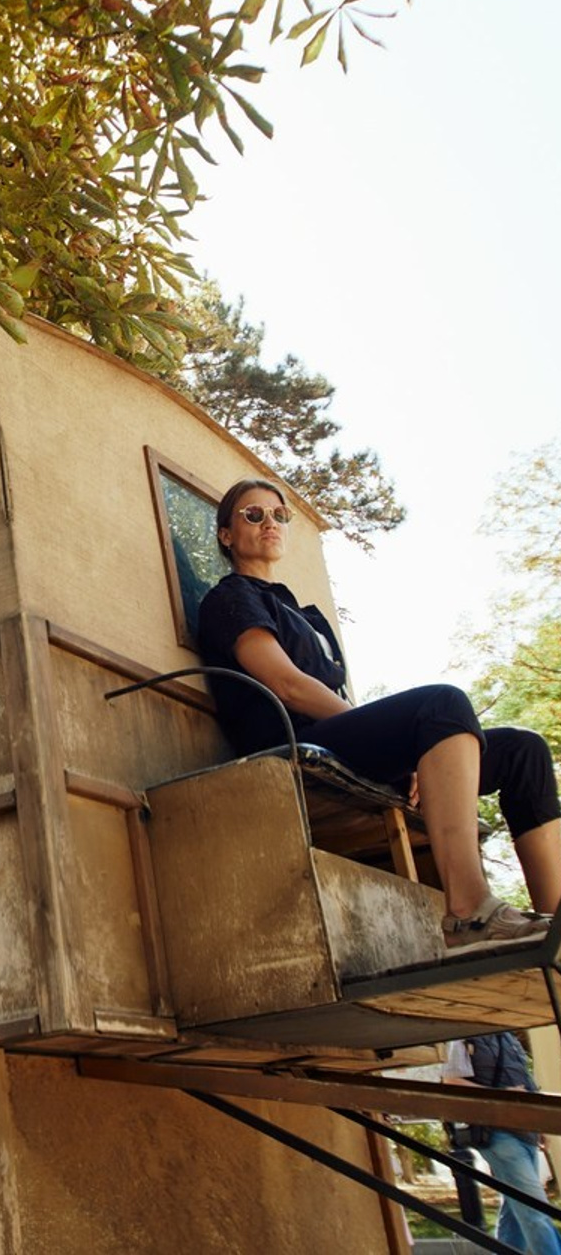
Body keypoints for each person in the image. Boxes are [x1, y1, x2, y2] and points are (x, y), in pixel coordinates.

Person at [196, 477, 561, 949]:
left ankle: (555, 924)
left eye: (278, 515)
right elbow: (285, 683)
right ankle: (469, 911)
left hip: (340, 738)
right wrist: (407, 747)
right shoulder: (230, 598)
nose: (270, 522)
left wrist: (409, 750)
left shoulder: (304, 615)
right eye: (253, 514)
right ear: (227, 534)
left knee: (523, 751)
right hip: (293, 742)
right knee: (442, 703)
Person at [443, 1032, 561, 1254]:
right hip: (496, 1133)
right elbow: (451, 1082)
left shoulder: (509, 1037)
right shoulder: (461, 1038)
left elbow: (525, 1082)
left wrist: (540, 1124)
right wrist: (501, 1094)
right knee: (535, 1211)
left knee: (514, 1211)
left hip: (525, 1131)